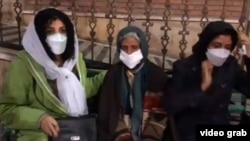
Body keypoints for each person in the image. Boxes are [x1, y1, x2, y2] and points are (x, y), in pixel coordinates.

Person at [0, 8, 105, 141]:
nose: (58, 37)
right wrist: (39, 119)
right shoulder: (24, 64)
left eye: (62, 31)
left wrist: (114, 73)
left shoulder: (74, 60)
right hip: (40, 136)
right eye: (50, 32)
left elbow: (82, 88)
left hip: (75, 130)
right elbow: (7, 109)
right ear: (39, 36)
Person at [164, 21, 250, 141]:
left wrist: (249, 58)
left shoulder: (230, 65)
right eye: (216, 45)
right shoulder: (184, 67)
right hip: (191, 131)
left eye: (227, 47)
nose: (222, 51)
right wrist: (203, 87)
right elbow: (171, 105)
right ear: (206, 44)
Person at [98, 26, 168, 141]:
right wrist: (122, 136)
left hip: (151, 133)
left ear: (143, 48)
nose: (129, 52)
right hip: (119, 133)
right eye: (124, 48)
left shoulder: (156, 74)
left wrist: (150, 137)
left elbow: (161, 114)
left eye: (134, 47)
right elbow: (107, 111)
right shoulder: (114, 74)